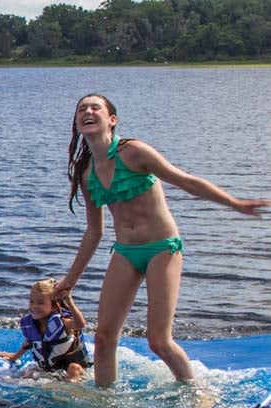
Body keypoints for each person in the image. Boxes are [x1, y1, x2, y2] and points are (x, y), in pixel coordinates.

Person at [55, 93, 269, 388]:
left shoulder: (133, 152)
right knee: (104, 339)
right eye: (82, 109)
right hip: (126, 252)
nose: (87, 111)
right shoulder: (86, 172)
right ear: (77, 123)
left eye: (95, 107)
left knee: (158, 340)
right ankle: (105, 405)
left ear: (112, 120)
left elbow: (184, 180)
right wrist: (70, 279)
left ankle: (194, 390)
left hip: (162, 249)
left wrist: (234, 203)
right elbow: (94, 232)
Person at [0, 278, 89, 382]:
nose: (34, 306)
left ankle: (68, 390)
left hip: (70, 366)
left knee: (73, 369)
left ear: (54, 306)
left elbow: (80, 324)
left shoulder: (62, 322)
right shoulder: (32, 324)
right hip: (48, 367)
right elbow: (30, 341)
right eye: (31, 301)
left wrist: (70, 302)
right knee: (30, 373)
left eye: (40, 303)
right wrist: (15, 356)